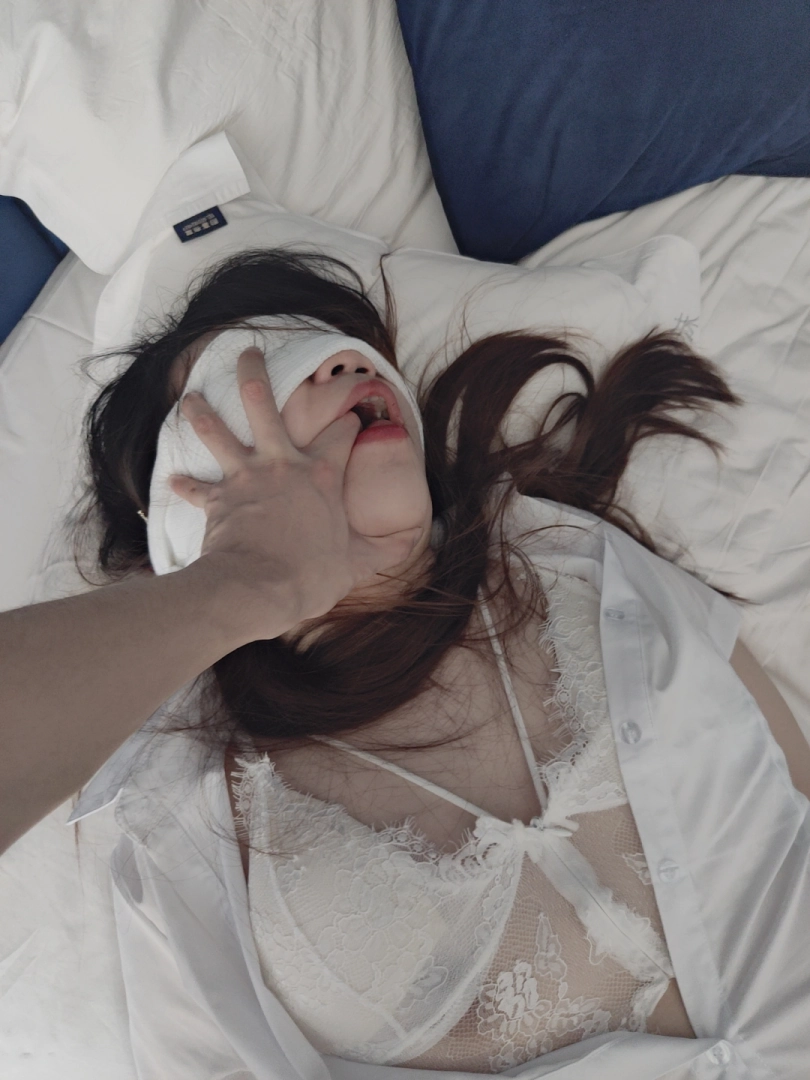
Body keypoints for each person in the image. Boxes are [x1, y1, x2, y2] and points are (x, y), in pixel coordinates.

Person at [4, 248, 810, 1079]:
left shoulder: (574, 560)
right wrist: (243, 579)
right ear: (185, 499)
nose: (341, 361)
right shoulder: (187, 815)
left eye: (339, 342)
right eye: (259, 372)